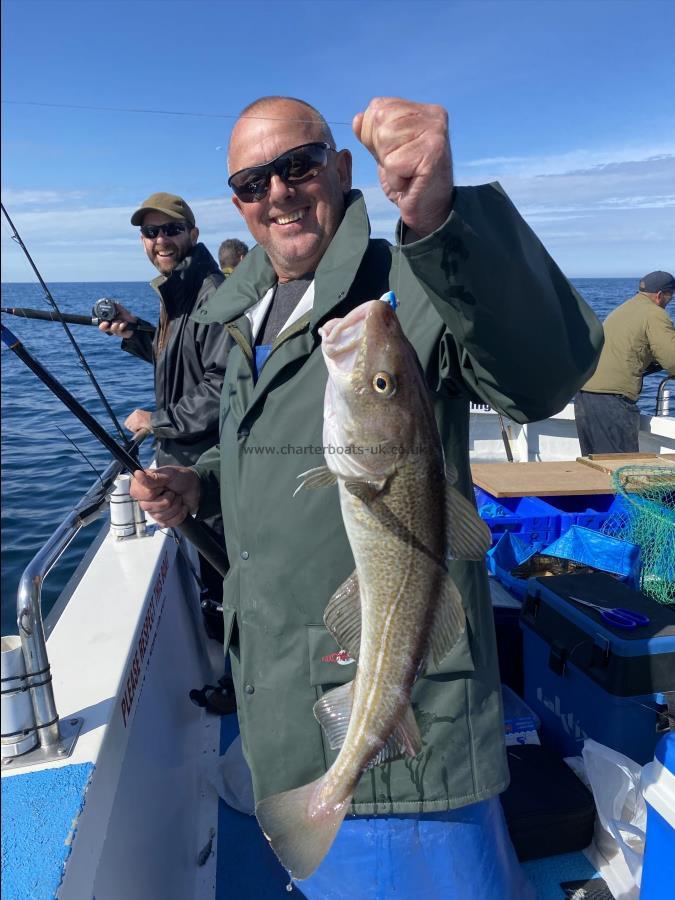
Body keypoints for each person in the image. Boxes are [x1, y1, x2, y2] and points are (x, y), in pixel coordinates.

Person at [130, 97, 603, 897]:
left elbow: (545, 371)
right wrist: (197, 482)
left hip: (404, 747)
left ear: (341, 170)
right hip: (281, 709)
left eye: (297, 165)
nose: (276, 192)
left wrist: (444, 219)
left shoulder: (405, 285)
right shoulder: (250, 314)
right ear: (236, 202)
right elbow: (269, 453)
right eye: (251, 182)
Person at [100, 191, 230, 640]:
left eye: (171, 229)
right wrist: (135, 331)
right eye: (150, 232)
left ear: (193, 233)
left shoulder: (212, 292)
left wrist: (157, 420)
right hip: (187, 465)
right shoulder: (179, 291)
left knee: (228, 581)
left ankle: (239, 686)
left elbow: (224, 386)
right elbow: (181, 361)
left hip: (212, 469)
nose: (160, 239)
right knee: (218, 584)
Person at [574, 270, 675, 456]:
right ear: (661, 295)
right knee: (621, 467)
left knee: (594, 464)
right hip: (611, 401)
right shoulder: (654, 313)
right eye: (671, 296)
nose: (669, 302)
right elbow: (671, 358)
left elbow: (628, 347)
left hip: (585, 396)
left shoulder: (623, 309)